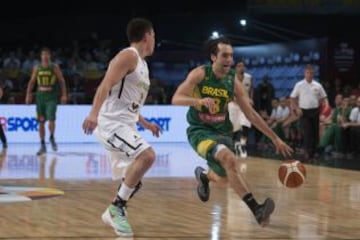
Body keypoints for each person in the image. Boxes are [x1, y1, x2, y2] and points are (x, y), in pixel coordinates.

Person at [171, 36, 293, 227]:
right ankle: (257, 210)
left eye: (231, 56)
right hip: (200, 131)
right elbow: (176, 98)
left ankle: (205, 176)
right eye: (225, 55)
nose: (229, 60)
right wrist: (198, 102)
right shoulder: (200, 74)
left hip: (223, 133)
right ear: (213, 57)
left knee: (223, 177)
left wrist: (275, 138)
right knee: (229, 159)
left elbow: (251, 115)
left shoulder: (232, 81)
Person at [82, 18, 161, 237]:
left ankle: (113, 210)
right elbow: (106, 85)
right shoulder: (128, 56)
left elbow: (129, 101)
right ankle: (116, 208)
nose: (155, 40)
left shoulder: (143, 65)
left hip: (126, 124)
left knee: (134, 180)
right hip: (111, 123)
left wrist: (144, 122)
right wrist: (93, 114)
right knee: (147, 156)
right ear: (147, 35)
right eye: (154, 35)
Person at [25, 47, 67, 155]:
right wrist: (28, 95)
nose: (45, 56)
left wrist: (64, 94)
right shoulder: (37, 67)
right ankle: (42, 144)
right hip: (40, 98)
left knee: (51, 120)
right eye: (43, 54)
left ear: (50, 56)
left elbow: (62, 81)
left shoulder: (54, 67)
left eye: (47, 54)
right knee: (41, 122)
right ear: (41, 56)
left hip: (51, 97)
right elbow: (32, 82)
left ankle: (52, 137)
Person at [290, 64, 329, 161]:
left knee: (315, 132)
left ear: (314, 74)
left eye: (311, 73)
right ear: (304, 73)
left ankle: (314, 152)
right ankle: (307, 152)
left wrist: (326, 106)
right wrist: (296, 108)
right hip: (304, 111)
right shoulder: (299, 84)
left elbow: (324, 97)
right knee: (307, 132)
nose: (310, 75)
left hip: (315, 111)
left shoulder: (318, 85)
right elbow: (292, 98)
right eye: (308, 73)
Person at [228, 60, 253, 158]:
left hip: (245, 105)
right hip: (233, 105)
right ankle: (235, 145)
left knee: (245, 125)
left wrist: (250, 98)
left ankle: (243, 146)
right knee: (234, 128)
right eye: (239, 66)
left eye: (242, 66)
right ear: (235, 68)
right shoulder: (230, 78)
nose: (241, 67)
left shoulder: (249, 77)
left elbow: (251, 89)